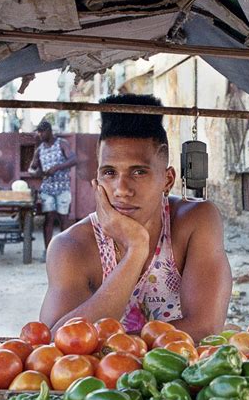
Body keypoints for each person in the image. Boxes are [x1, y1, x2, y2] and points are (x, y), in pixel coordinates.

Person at [40, 94, 232, 343]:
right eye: (109, 172)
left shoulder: (195, 220)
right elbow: (58, 342)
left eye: (138, 172)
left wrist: (115, 346)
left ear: (168, 180)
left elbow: (205, 329)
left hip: (179, 376)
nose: (122, 189)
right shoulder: (71, 247)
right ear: (97, 181)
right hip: (98, 382)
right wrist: (136, 250)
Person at [29, 119, 77, 260]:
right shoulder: (40, 149)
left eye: (42, 132)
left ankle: (65, 252)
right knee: (48, 218)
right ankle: (48, 251)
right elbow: (32, 167)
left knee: (63, 219)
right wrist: (36, 173)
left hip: (62, 188)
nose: (40, 135)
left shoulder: (62, 143)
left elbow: (74, 160)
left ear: (49, 131)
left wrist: (57, 167)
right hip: (48, 189)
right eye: (38, 132)